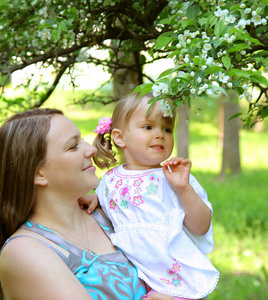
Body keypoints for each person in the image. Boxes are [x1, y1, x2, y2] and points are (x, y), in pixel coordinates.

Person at [0, 108, 172, 300]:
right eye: (73, 146)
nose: (92, 149)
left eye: (83, 140)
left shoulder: (109, 215)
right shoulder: (25, 252)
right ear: (38, 174)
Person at [91, 93, 220, 300]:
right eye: (148, 127)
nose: (160, 134)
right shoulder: (109, 180)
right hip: (134, 275)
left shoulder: (173, 177)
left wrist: (184, 189)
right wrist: (94, 200)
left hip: (175, 275)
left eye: (167, 129)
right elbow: (104, 203)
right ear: (119, 137)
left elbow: (201, 226)